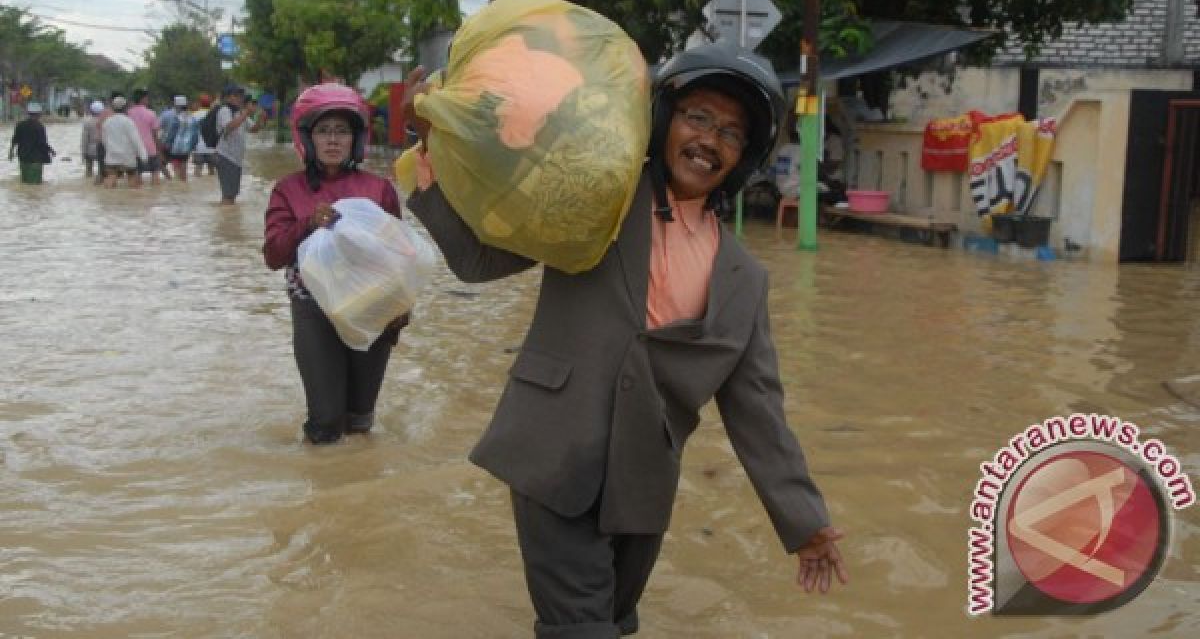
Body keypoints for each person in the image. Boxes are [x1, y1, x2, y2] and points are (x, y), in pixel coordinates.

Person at [403, 43, 848, 638]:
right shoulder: (600, 193)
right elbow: (482, 260)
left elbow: (759, 413)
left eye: (732, 134)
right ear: (665, 122)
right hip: (551, 453)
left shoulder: (745, 279)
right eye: (698, 118)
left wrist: (804, 522)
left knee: (615, 622)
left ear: (743, 158)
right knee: (581, 629)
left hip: (643, 490)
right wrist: (433, 159)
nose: (710, 141)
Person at [262, 83, 409, 445]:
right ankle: (322, 491)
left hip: (372, 306)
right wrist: (307, 224)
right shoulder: (288, 190)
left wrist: (400, 310)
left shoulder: (379, 189)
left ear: (356, 138)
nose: (332, 140)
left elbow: (400, 255)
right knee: (326, 422)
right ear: (307, 138)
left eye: (342, 131)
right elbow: (273, 255)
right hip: (313, 306)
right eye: (323, 131)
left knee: (361, 419)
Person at [214, 84, 263, 204]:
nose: (240, 98)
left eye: (241, 95)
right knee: (227, 196)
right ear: (228, 97)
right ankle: (225, 220)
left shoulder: (240, 113)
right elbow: (229, 126)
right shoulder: (224, 110)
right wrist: (246, 113)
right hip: (225, 157)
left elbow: (253, 129)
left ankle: (229, 220)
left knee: (232, 195)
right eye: (236, 95)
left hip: (236, 159)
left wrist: (261, 119)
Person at [100, 96, 148, 188]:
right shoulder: (128, 122)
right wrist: (143, 156)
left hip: (112, 157)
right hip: (127, 157)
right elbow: (136, 140)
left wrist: (109, 151)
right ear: (125, 107)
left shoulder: (107, 122)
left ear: (113, 108)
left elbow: (104, 141)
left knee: (111, 177)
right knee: (132, 178)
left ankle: (107, 199)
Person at [8, 102, 55, 184]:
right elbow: (42, 143)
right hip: (35, 160)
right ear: (38, 114)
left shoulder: (20, 125)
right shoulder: (39, 126)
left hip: (23, 159)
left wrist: (11, 152)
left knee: (25, 182)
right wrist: (51, 150)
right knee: (35, 185)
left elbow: (14, 140)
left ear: (28, 113)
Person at [128, 89, 163, 185]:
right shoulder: (151, 113)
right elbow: (156, 134)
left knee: (137, 175)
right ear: (143, 99)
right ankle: (156, 197)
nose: (148, 100)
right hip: (150, 149)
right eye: (147, 98)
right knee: (155, 173)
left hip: (134, 150)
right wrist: (159, 150)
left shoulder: (128, 113)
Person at [162, 95, 198, 180]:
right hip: (186, 148)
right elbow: (195, 135)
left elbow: (172, 134)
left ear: (177, 106)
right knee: (184, 171)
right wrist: (193, 146)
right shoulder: (192, 118)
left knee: (176, 172)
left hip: (175, 148)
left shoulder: (176, 118)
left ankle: (179, 189)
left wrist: (167, 144)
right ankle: (185, 187)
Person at [191, 93, 216, 176]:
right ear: (211, 103)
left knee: (198, 170)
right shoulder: (215, 114)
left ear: (199, 103)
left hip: (198, 147)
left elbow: (191, 132)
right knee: (212, 171)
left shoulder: (194, 115)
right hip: (212, 147)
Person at [80, 100, 104, 178]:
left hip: (90, 150)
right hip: (102, 149)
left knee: (88, 171)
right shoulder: (105, 121)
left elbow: (84, 139)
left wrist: (83, 153)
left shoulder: (87, 121)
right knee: (102, 171)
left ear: (91, 110)